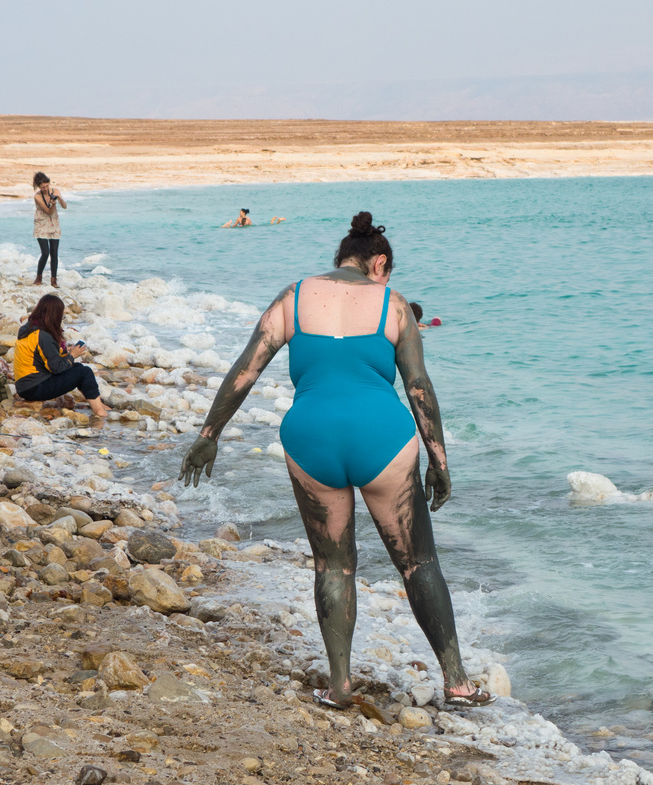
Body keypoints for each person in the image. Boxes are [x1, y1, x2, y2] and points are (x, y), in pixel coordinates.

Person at [180, 211, 494, 710]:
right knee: (418, 563)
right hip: (382, 439)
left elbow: (246, 368)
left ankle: (341, 685)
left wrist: (208, 434)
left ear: (340, 259)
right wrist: (439, 459)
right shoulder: (393, 304)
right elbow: (417, 386)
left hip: (311, 439)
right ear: (380, 264)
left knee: (333, 566)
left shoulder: (294, 296)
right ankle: (456, 682)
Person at [13, 293, 109, 418]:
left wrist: (66, 352)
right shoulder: (43, 335)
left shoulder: (30, 329)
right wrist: (72, 355)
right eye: (61, 316)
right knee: (84, 372)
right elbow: (56, 368)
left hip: (26, 385)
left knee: (78, 368)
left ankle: (98, 404)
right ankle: (100, 412)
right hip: (34, 388)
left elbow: (41, 357)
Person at [32, 172, 65, 287]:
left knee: (54, 252)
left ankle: (53, 280)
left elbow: (65, 206)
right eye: (43, 187)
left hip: (54, 224)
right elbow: (49, 211)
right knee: (45, 253)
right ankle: (38, 277)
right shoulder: (37, 197)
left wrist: (59, 199)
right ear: (38, 187)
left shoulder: (54, 191)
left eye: (47, 186)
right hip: (41, 224)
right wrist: (52, 204)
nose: (46, 189)